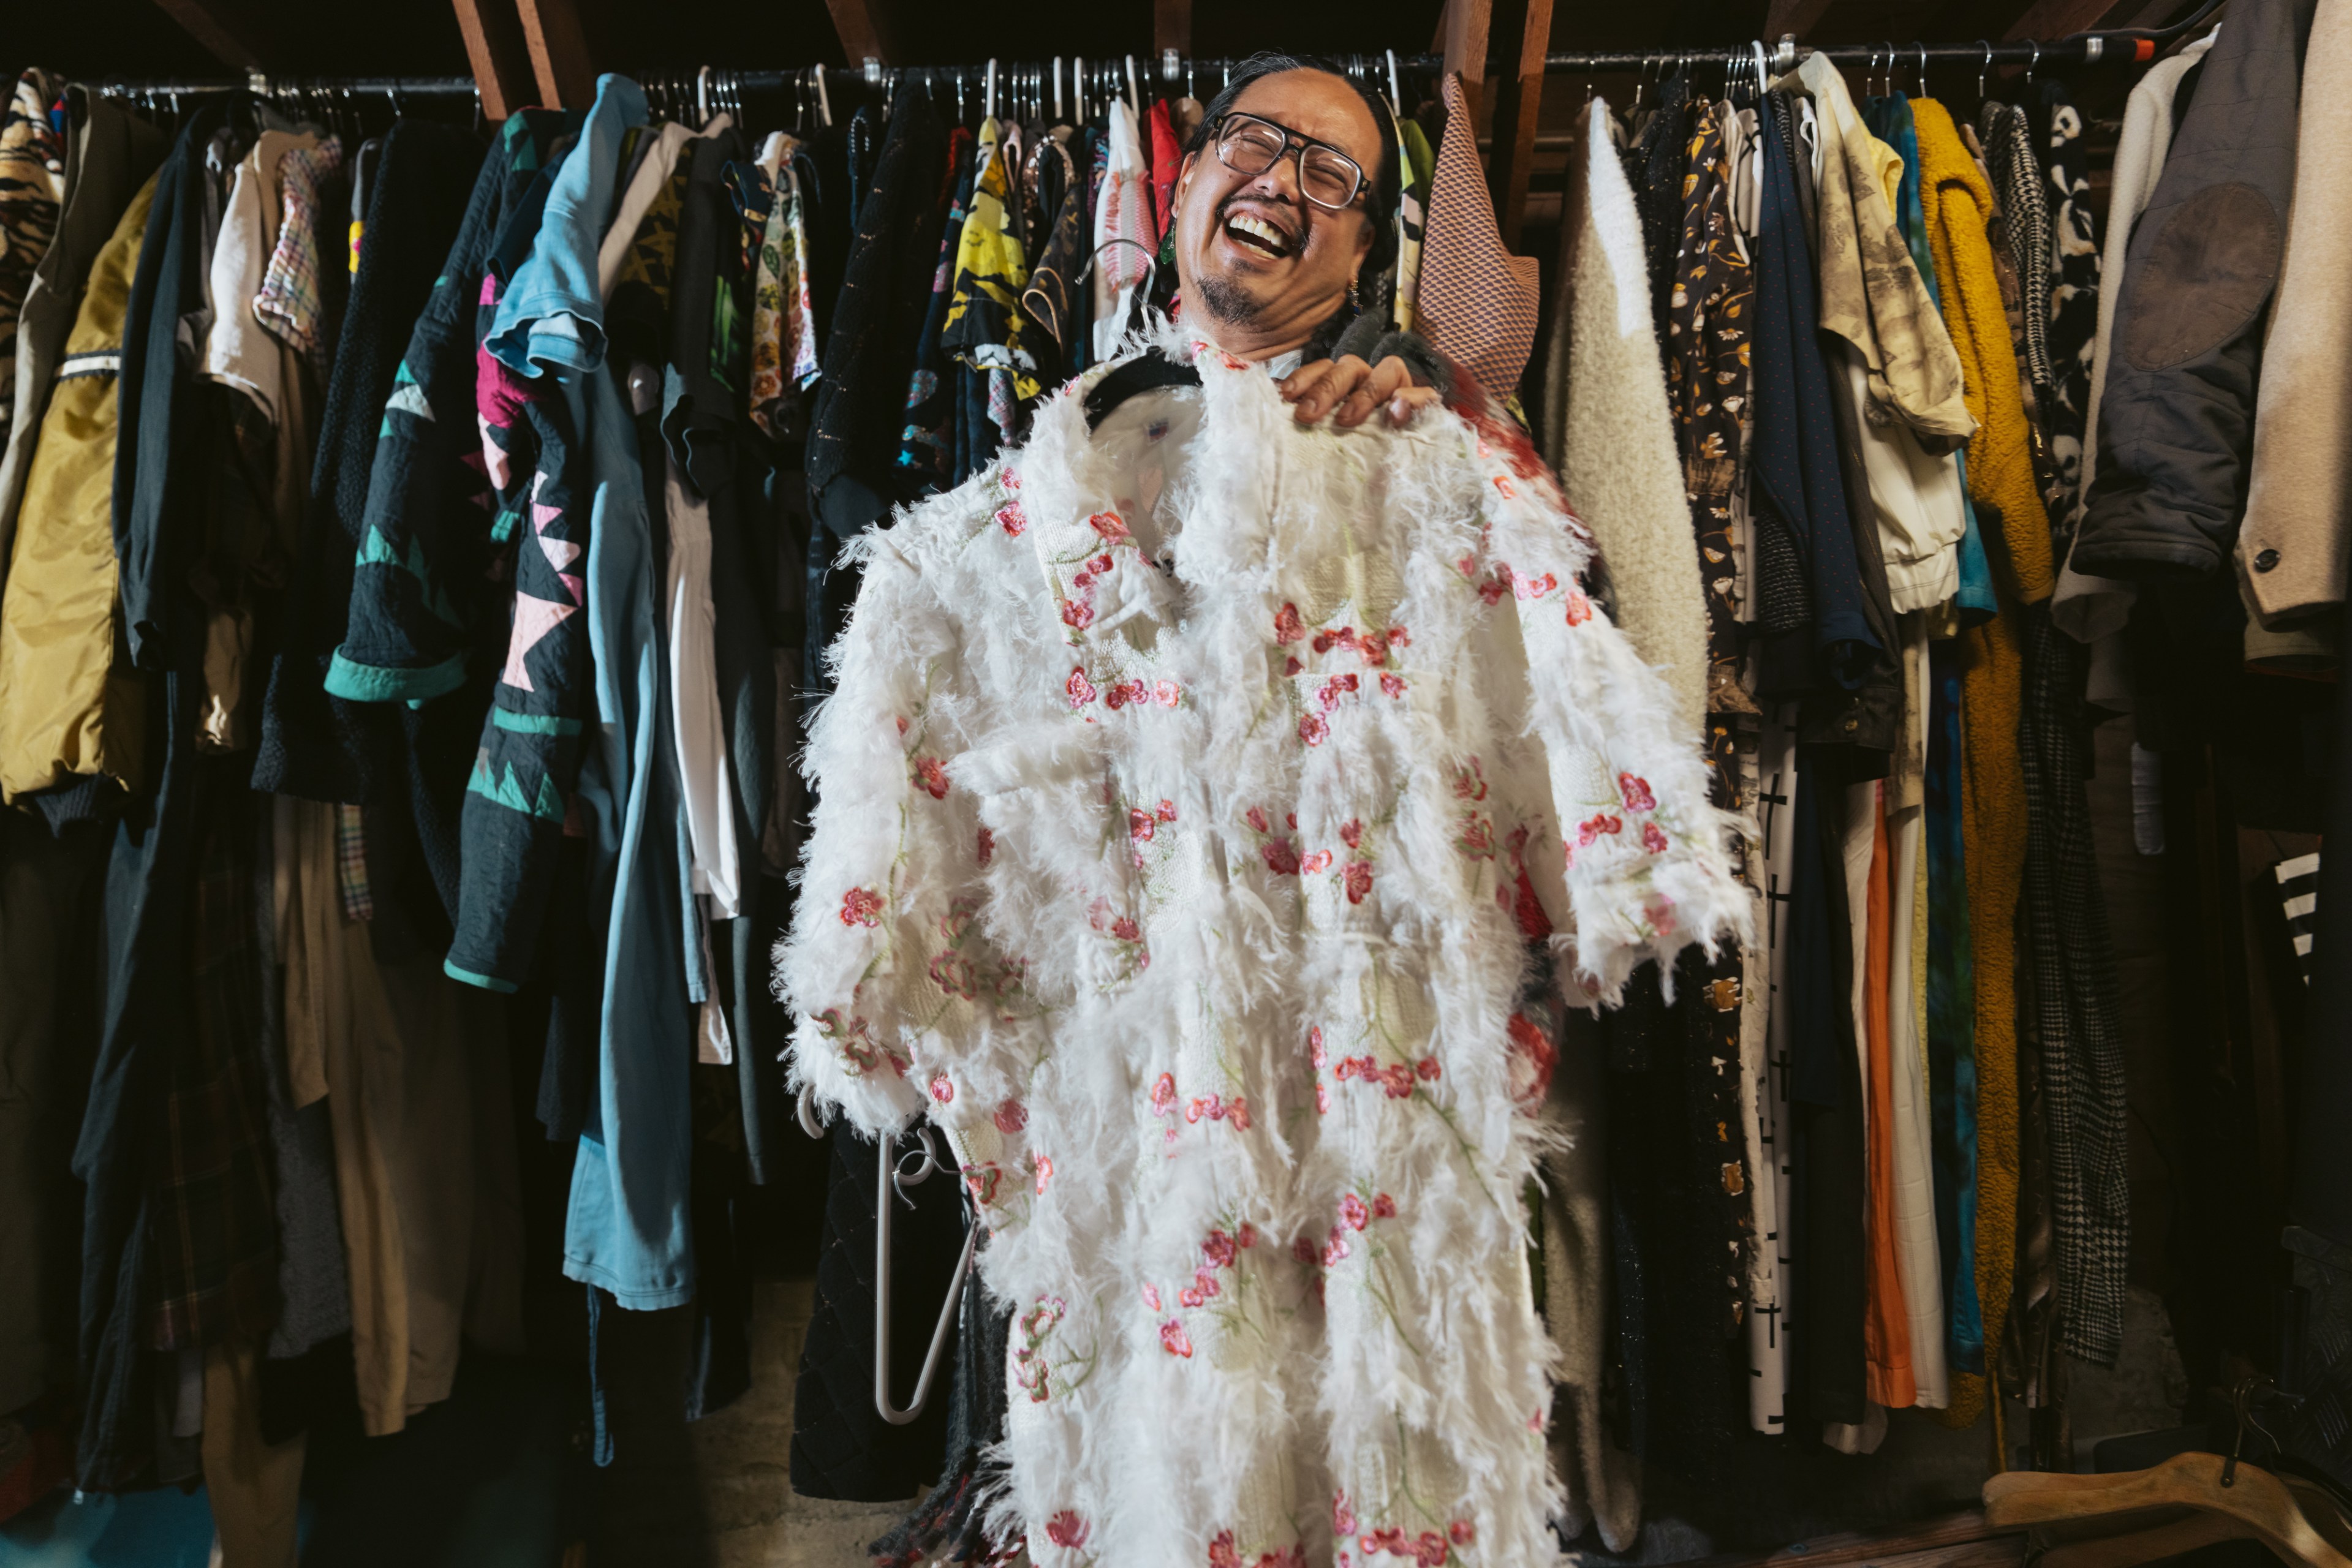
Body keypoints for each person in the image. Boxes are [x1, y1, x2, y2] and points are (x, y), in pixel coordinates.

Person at [1166, 54, 1443, 428]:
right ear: (1185, 185)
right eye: (1254, 141)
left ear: (1358, 252)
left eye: (1328, 172)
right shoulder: (1091, 407)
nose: (1278, 180)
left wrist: (1446, 433)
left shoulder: (1385, 416)